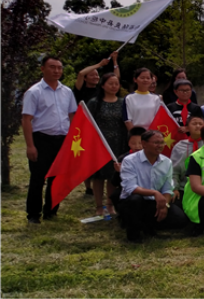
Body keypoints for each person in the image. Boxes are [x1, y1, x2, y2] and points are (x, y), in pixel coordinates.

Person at [22, 56, 78, 224]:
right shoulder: (34, 92)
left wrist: (73, 139)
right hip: (41, 139)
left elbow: (72, 115)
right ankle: (33, 214)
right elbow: (26, 119)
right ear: (42, 69)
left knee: (57, 177)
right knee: (38, 178)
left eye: (59, 68)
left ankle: (51, 211)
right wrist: (30, 146)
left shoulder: (67, 91)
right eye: (52, 67)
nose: (56, 71)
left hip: (62, 140)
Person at [118, 130, 189, 242]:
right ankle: (133, 233)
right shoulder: (129, 160)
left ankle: (148, 226)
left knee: (180, 220)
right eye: (156, 142)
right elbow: (130, 188)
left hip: (155, 202)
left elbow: (167, 188)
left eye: (162, 142)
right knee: (135, 200)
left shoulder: (166, 162)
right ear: (144, 144)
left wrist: (165, 205)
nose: (159, 146)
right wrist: (154, 193)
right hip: (134, 201)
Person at [86, 73, 127, 216]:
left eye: (116, 84)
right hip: (99, 144)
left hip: (118, 143)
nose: (114, 86)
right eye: (110, 83)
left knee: (112, 175)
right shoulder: (94, 103)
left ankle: (110, 205)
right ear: (103, 85)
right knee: (98, 176)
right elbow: (87, 123)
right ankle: (99, 206)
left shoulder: (123, 102)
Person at [170, 115, 204, 209]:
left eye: (200, 124)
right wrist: (174, 188)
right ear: (187, 128)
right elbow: (174, 171)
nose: (198, 126)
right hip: (183, 187)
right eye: (194, 123)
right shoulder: (180, 146)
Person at [110, 127, 146, 217]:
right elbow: (114, 182)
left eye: (140, 143)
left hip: (146, 189)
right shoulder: (123, 158)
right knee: (115, 195)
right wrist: (118, 172)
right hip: (127, 190)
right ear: (128, 143)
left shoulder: (152, 157)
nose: (137, 146)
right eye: (133, 143)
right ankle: (124, 216)